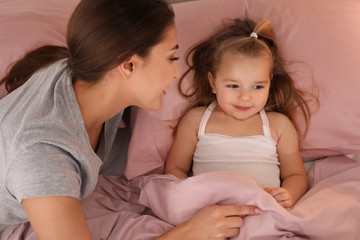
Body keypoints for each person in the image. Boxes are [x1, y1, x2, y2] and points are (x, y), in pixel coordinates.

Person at [0, 1, 259, 239]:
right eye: (171, 57)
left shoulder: (90, 76)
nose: (175, 72)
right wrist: (189, 233)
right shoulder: (43, 157)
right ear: (129, 65)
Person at [165, 18, 312, 210]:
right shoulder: (196, 120)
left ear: (270, 83)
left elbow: (296, 175)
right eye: (233, 85)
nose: (245, 97)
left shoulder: (278, 125)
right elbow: (175, 169)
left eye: (258, 86)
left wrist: (287, 195)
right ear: (212, 82)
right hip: (209, 214)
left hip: (262, 212)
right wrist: (191, 197)